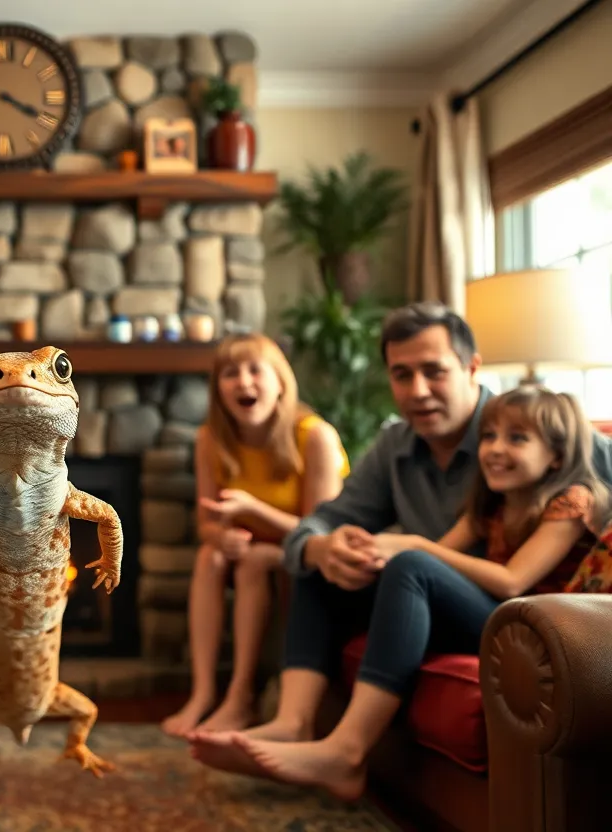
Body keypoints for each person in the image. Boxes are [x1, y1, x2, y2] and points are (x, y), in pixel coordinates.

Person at [189, 302, 612, 799]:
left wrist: (408, 549)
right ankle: (293, 724)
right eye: (402, 375)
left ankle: (346, 754)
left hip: (517, 613)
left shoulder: (536, 430)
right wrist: (325, 547)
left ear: (471, 367)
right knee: (321, 560)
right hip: (426, 599)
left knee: (410, 563)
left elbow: (466, 562)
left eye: (434, 371)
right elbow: (324, 522)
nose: (418, 391)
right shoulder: (399, 446)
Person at [161, 333, 350, 737]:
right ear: (218, 388)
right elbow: (206, 523)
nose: (243, 382)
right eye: (230, 373)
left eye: (254, 370)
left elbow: (321, 533)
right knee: (209, 557)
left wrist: (252, 510)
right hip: (248, 548)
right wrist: (219, 537)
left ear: (280, 381)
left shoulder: (314, 436)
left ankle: (241, 696)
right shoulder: (211, 438)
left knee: (254, 560)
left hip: (304, 552)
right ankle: (203, 694)